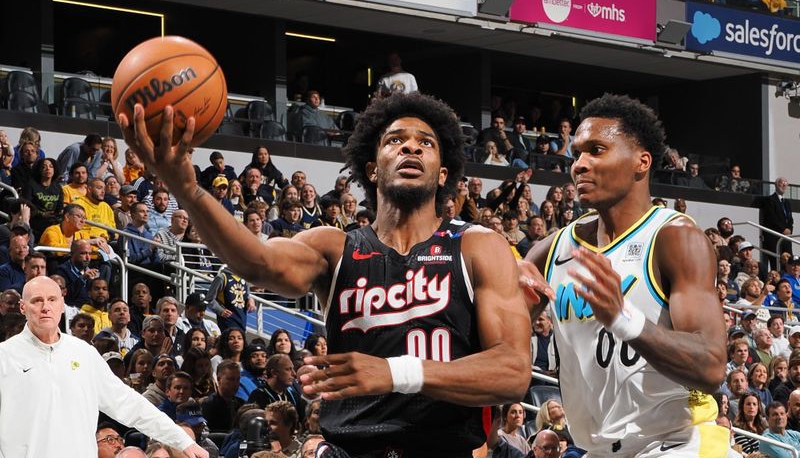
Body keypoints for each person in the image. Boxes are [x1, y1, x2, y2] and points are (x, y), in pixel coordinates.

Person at [119, 92, 542, 456]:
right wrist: (189, 190)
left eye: (425, 144)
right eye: (395, 140)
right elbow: (257, 263)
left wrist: (396, 372)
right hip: (349, 448)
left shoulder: (477, 246)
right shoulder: (334, 246)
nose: (410, 148)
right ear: (372, 168)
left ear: (442, 173)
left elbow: (511, 372)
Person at [522, 93, 728, 455]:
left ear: (641, 162)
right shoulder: (551, 250)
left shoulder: (675, 237)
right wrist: (512, 310)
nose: (580, 165)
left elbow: (711, 365)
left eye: (596, 150)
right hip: (598, 449)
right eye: (576, 154)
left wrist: (624, 319)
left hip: (677, 443)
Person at [0, 277, 207, 457]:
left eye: (52, 300)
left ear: (62, 305)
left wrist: (182, 439)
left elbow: (128, 404)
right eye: (37, 300)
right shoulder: (5, 356)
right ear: (22, 307)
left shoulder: (84, 353)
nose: (46, 307)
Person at [761, 177, 794, 270]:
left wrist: (790, 229)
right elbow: (771, 218)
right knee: (776, 262)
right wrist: (783, 229)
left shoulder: (787, 202)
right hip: (774, 237)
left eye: (785, 184)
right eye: (781, 183)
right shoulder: (770, 200)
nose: (784, 185)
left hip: (786, 238)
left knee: (789, 260)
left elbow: (790, 219)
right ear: (776, 185)